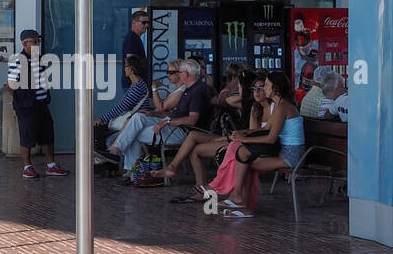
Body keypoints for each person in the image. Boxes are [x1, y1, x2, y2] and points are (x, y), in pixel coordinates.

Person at [154, 69, 263, 196]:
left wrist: (226, 139)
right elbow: (219, 100)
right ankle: (174, 169)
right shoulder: (243, 101)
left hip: (238, 142)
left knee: (195, 151)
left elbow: (250, 132)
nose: (237, 87)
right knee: (193, 135)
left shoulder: (255, 105)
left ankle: (201, 189)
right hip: (233, 138)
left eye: (239, 85)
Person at [217, 71, 304, 218]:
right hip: (284, 151)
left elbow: (270, 138)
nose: (264, 89)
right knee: (245, 158)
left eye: (267, 86)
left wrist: (244, 139)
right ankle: (241, 200)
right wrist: (242, 133)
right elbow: (265, 129)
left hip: (291, 156)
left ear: (275, 88)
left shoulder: (283, 106)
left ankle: (242, 201)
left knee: (246, 161)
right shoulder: (279, 104)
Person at [108, 58, 211, 177]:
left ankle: (129, 169)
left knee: (133, 133)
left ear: (186, 74)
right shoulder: (191, 89)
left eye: (179, 72)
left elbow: (192, 120)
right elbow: (173, 113)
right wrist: (154, 114)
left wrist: (167, 122)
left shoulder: (196, 91)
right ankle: (118, 153)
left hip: (180, 132)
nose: (175, 75)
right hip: (174, 127)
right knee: (138, 117)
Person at [7, 29, 68, 178]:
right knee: (27, 135)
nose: (37, 44)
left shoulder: (39, 59)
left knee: (48, 133)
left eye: (38, 41)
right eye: (34, 42)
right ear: (25, 43)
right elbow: (11, 85)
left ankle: (51, 165)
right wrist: (22, 99)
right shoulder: (18, 60)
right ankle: (27, 167)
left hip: (41, 103)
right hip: (27, 105)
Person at [120, 10, 150, 89]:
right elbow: (130, 63)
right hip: (134, 85)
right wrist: (135, 84)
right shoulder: (132, 39)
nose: (146, 25)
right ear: (133, 22)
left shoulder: (135, 38)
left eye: (148, 22)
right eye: (143, 22)